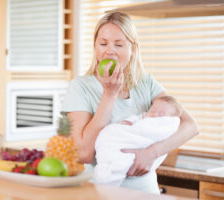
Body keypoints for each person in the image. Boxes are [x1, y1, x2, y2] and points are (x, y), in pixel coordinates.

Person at [61, 11, 198, 194]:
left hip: (145, 192)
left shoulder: (145, 83)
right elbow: (83, 153)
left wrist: (151, 153)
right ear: (95, 47)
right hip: (100, 192)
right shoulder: (80, 87)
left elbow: (190, 125)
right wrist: (109, 95)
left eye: (118, 44)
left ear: (132, 49)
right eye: (103, 43)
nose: (109, 51)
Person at [94, 95, 183, 186]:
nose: (155, 115)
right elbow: (134, 121)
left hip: (142, 170)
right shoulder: (143, 117)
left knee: (120, 163)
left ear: (169, 119)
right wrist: (128, 122)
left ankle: (109, 175)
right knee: (109, 133)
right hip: (125, 140)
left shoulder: (167, 126)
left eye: (161, 114)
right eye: (153, 110)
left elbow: (161, 135)